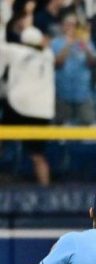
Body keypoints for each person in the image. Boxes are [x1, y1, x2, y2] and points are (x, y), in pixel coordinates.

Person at [0, 25, 54, 186]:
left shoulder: (17, 52)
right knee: (37, 155)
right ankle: (46, 192)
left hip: (19, 108)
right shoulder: (48, 55)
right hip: (43, 112)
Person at [50, 13, 96, 125]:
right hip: (62, 93)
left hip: (83, 93)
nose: (71, 27)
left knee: (87, 126)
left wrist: (85, 45)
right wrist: (68, 44)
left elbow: (93, 62)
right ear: (63, 26)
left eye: (74, 25)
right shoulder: (55, 43)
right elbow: (57, 63)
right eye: (68, 24)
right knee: (61, 129)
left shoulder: (86, 42)